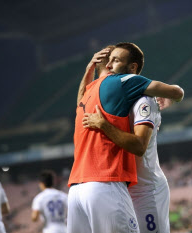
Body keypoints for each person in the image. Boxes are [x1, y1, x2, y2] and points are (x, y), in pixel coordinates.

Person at [67, 42, 184, 233]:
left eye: (115, 60)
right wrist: (89, 70)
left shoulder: (141, 97)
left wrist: (169, 94)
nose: (110, 65)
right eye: (108, 61)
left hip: (146, 189)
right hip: (121, 185)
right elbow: (82, 100)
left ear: (131, 68)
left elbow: (140, 145)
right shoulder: (101, 91)